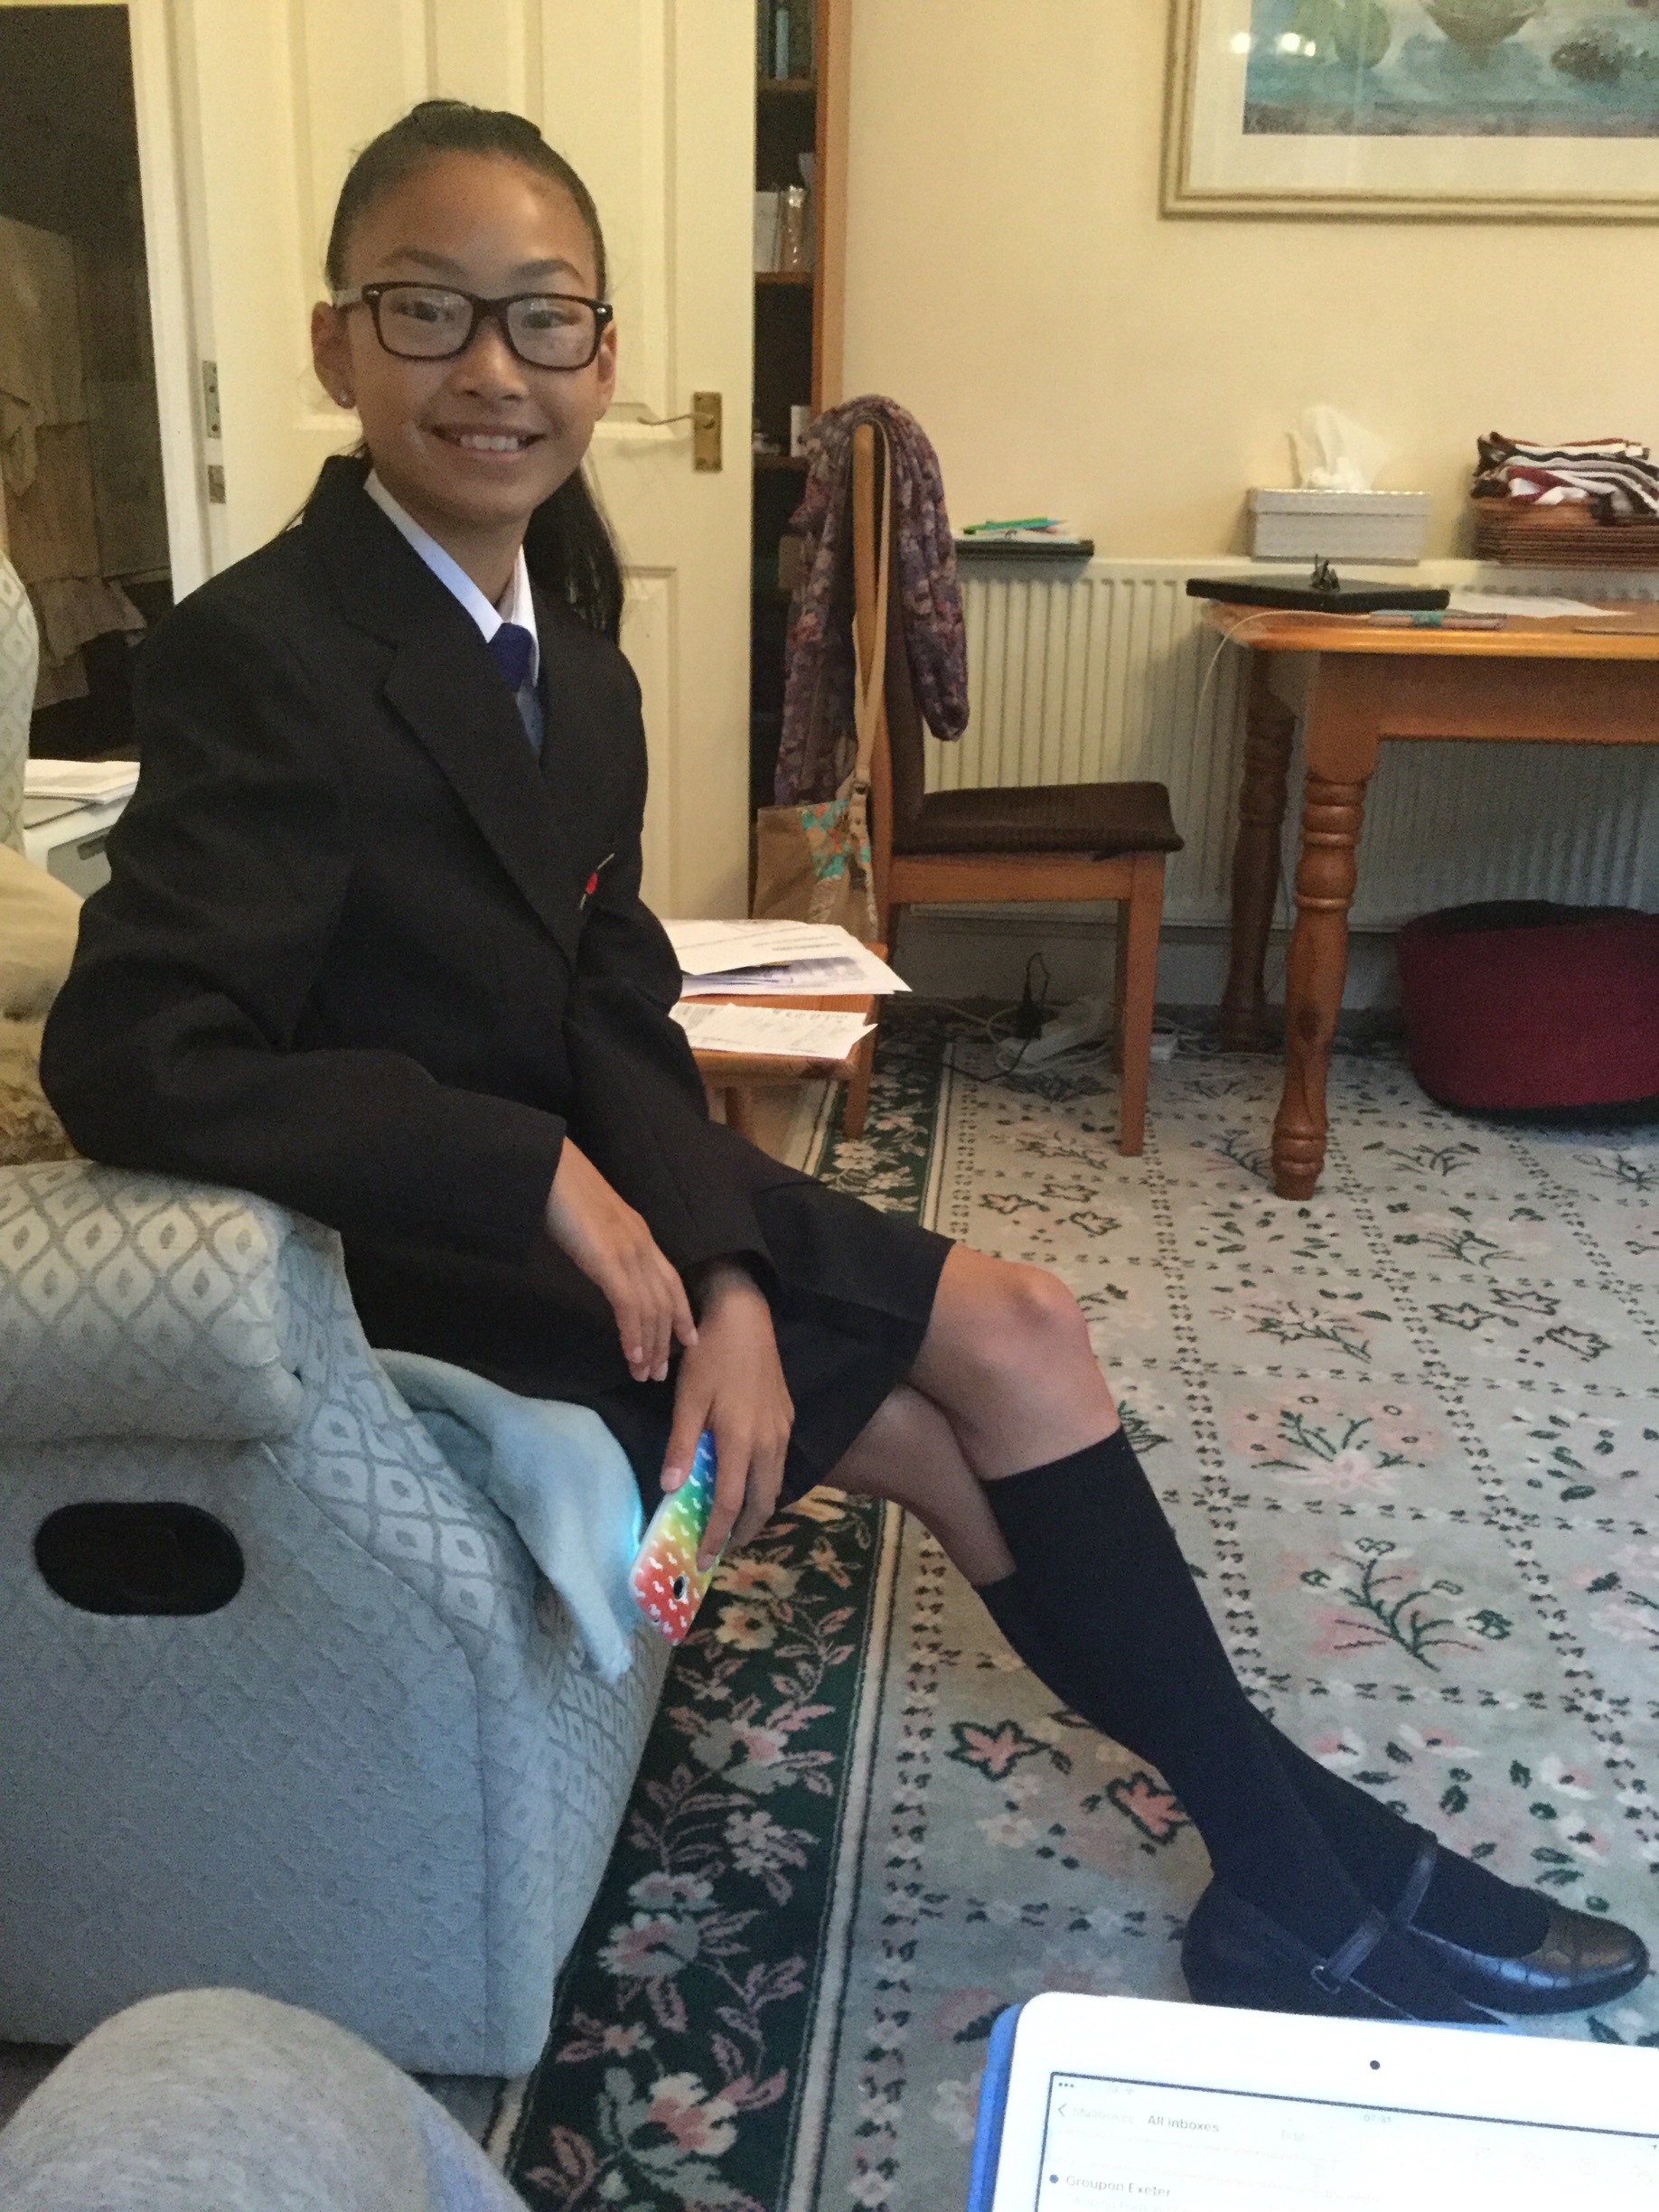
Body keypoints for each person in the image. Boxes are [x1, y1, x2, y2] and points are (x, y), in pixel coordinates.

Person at [42, 100, 1645, 2029]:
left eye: (543, 317)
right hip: (428, 1245)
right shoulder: (262, 649)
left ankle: (1290, 1866)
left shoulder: (581, 653)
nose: (491, 370)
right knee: (1011, 1343)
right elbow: (135, 1051)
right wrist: (527, 1173)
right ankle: (1315, 1873)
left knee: (961, 1422)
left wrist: (725, 1269)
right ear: (336, 345)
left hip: (609, 1223)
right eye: (426, 310)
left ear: (604, 358)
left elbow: (608, 994)